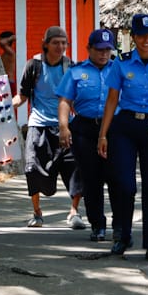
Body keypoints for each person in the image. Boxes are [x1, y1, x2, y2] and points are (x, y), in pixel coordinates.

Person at [98, 14, 148, 263]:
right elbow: (112, 99)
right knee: (125, 185)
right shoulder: (121, 63)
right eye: (142, 36)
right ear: (133, 37)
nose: (147, 40)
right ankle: (122, 235)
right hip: (125, 126)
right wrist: (103, 134)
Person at [12, 26, 84, 229]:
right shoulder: (33, 65)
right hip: (38, 125)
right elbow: (22, 96)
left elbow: (76, 99)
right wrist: (3, 107)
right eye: (55, 42)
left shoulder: (70, 66)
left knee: (75, 168)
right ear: (45, 44)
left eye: (63, 43)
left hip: (65, 127)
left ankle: (74, 212)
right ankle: (37, 213)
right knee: (33, 169)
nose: (60, 46)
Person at [56, 28, 115, 242]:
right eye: (99, 49)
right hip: (85, 129)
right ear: (89, 49)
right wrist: (64, 127)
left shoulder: (119, 70)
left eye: (107, 50)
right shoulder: (76, 72)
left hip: (114, 129)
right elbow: (65, 101)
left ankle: (120, 226)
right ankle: (98, 225)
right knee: (91, 179)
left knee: (117, 178)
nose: (104, 54)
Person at [0, 31, 17, 95]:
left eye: (1, 39)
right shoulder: (5, 53)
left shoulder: (11, 52)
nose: (0, 41)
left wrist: (10, 38)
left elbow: (1, 42)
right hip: (4, 81)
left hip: (9, 82)